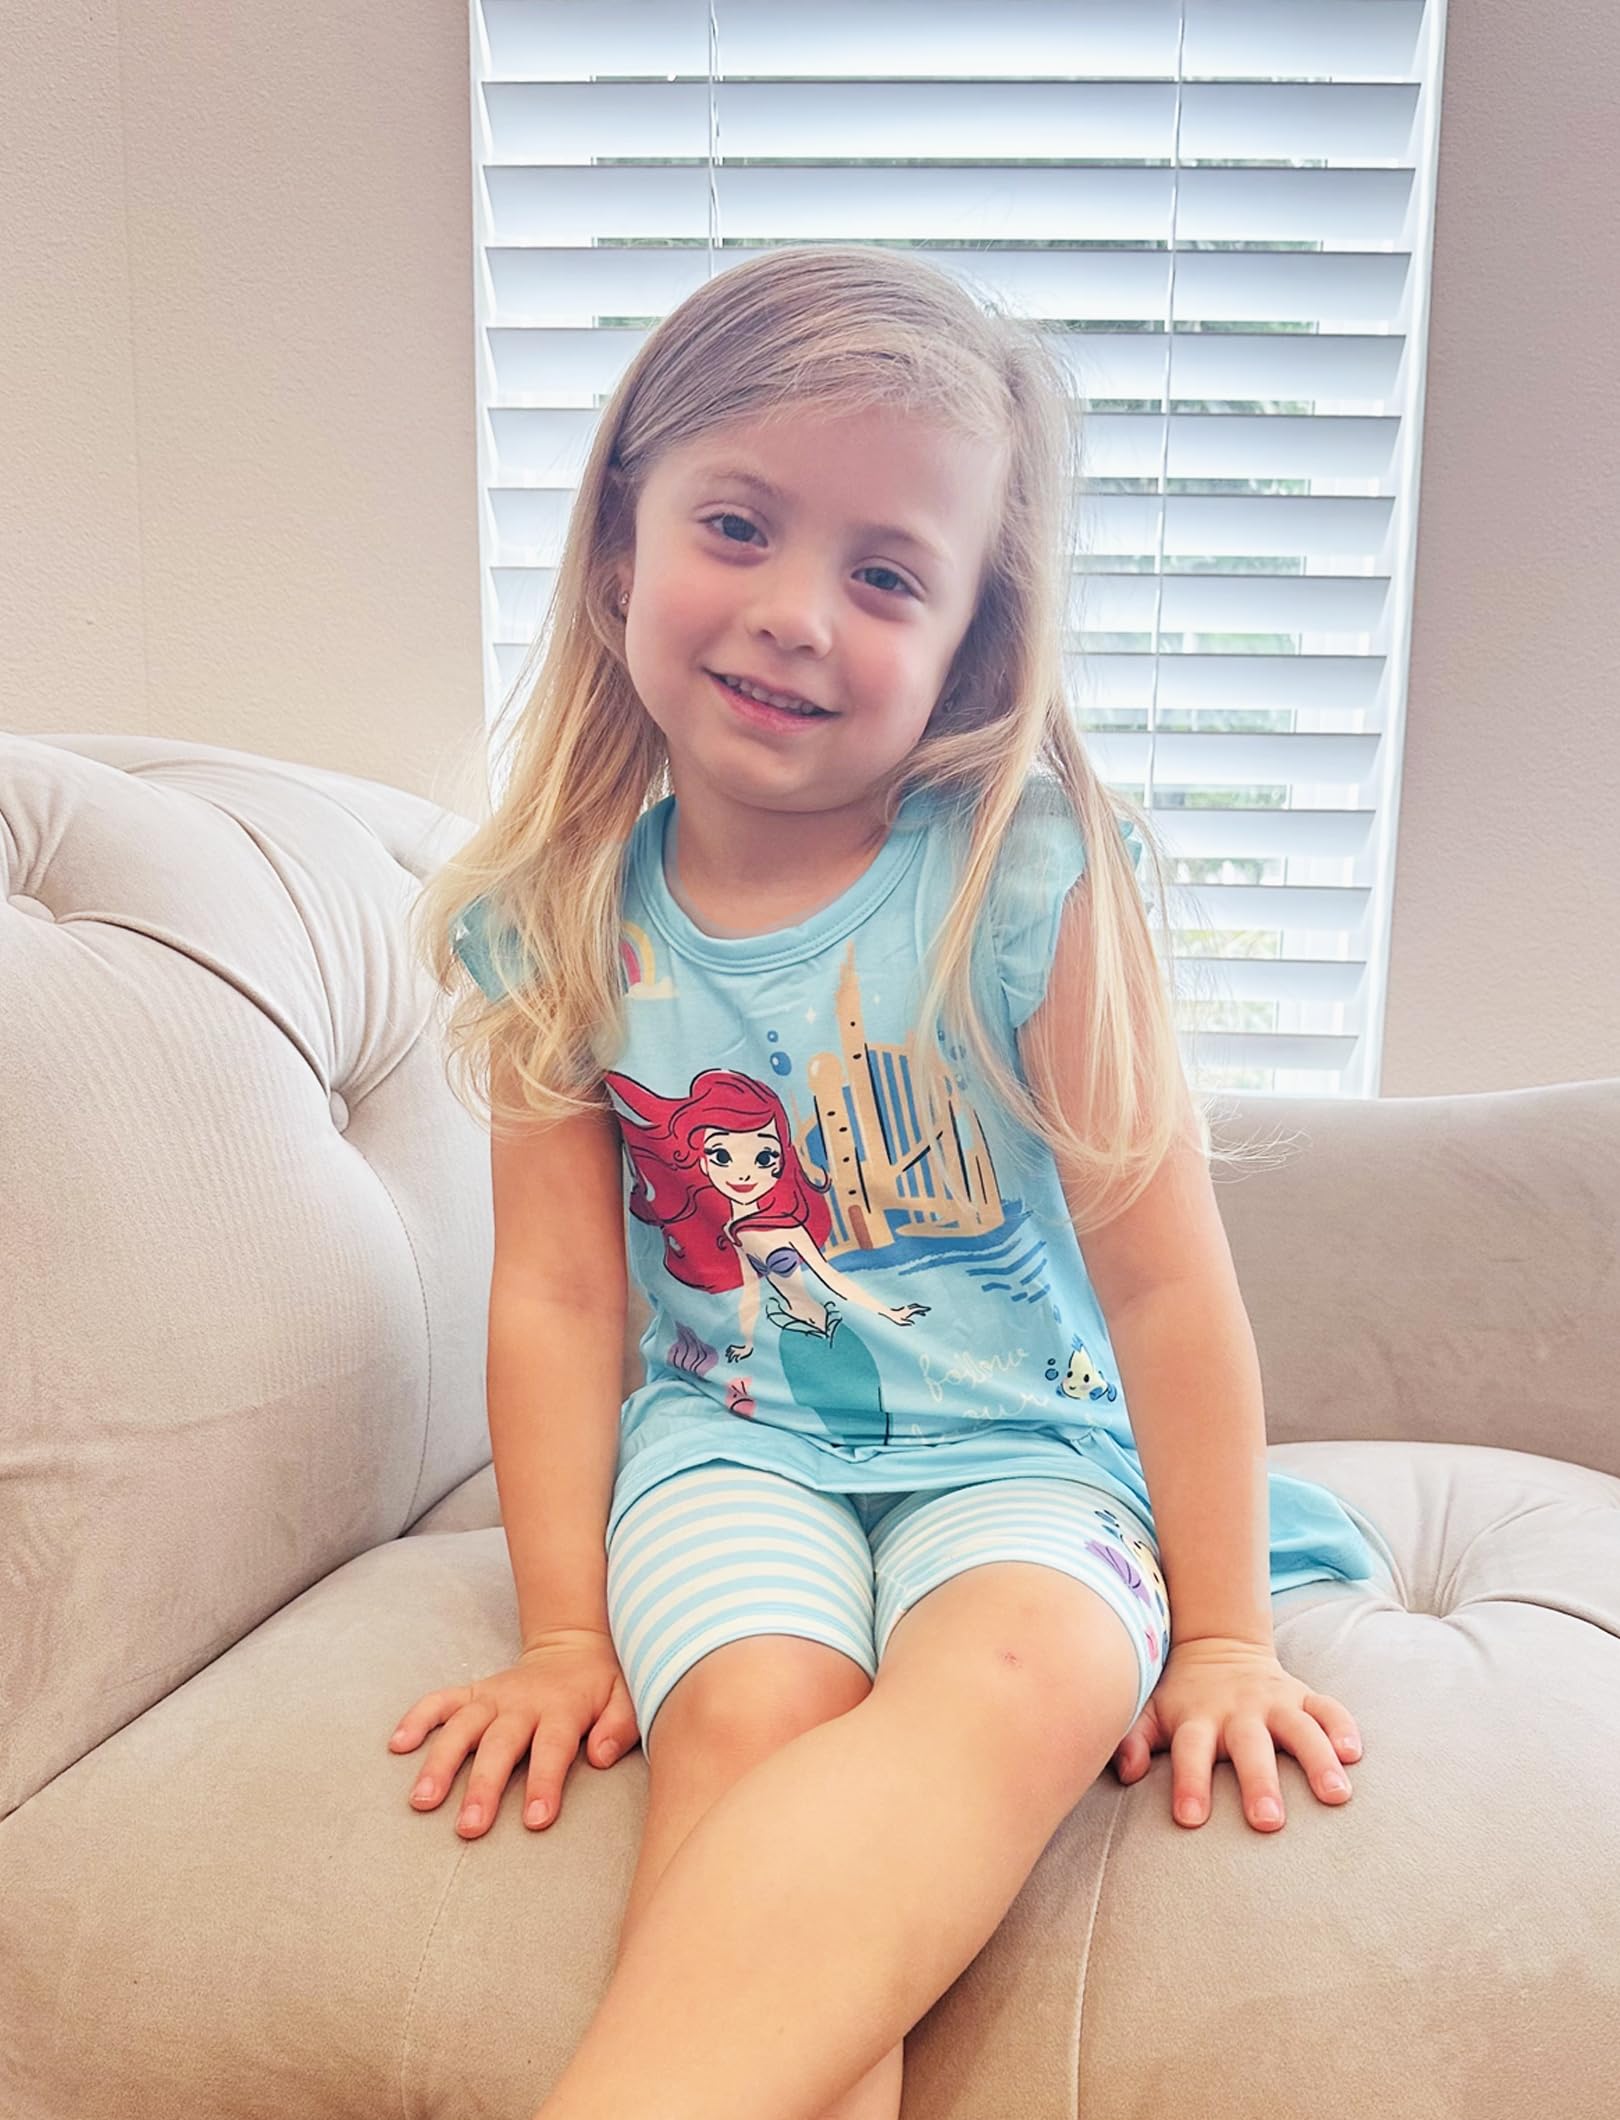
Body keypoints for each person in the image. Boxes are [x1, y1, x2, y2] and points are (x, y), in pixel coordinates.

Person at [390, 245, 1378, 2120]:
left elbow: (1167, 1284)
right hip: (732, 1446)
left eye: (886, 575)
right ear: (618, 552)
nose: (794, 616)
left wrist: (1229, 1635)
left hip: (1032, 1453)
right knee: (749, 1714)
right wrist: (563, 1632)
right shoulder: (555, 916)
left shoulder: (1030, 878)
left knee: (1021, 1675)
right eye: (738, 526)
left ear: (969, 645)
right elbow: (561, 1294)